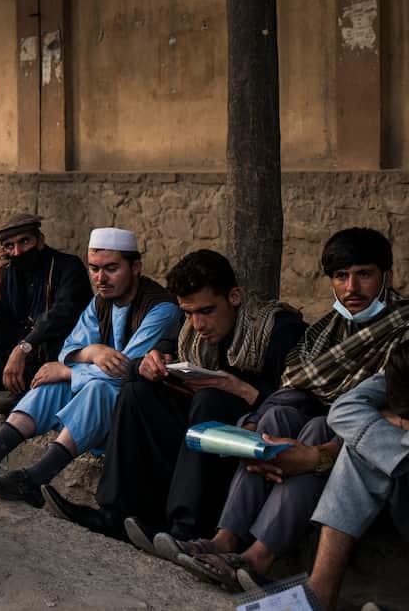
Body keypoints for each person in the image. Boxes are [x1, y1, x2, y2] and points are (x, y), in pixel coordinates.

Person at [165, 228, 405, 591]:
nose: (351, 287)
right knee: (274, 418)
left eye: (364, 274)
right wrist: (255, 431)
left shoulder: (401, 329)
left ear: (388, 277)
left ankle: (258, 557)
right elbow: (295, 385)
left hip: (360, 433)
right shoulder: (328, 329)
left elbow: (385, 405)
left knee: (317, 430)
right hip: (316, 414)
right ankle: (225, 539)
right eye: (341, 276)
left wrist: (308, 453)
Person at [42, 249, 307, 547]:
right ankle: (115, 513)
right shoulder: (189, 331)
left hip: (248, 443)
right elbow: (159, 353)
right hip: (194, 440)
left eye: (206, 311)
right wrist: (149, 362)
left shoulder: (278, 330)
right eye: (189, 313)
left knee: (210, 400)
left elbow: (299, 404)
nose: (198, 324)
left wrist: (239, 388)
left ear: (234, 297)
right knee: (136, 391)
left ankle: (186, 529)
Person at [0, 228, 182, 506]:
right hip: (102, 387)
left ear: (135, 267)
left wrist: (69, 369)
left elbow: (125, 370)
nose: (101, 278)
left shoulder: (160, 309)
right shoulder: (101, 301)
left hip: (137, 407)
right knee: (52, 383)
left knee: (95, 387)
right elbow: (70, 349)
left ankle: (35, 478)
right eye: (95, 269)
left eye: (111, 269)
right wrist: (91, 351)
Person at [308, 343, 409, 610]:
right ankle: (320, 595)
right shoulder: (403, 358)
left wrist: (395, 425)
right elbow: (344, 410)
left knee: (371, 440)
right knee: (363, 448)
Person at [0, 213, 93, 414]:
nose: (17, 251)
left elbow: (60, 315)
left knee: (55, 336)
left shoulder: (67, 266)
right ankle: (11, 383)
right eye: (9, 246)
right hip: (17, 355)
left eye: (24, 241)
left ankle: (27, 389)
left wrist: (23, 347)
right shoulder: (8, 272)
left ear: (40, 241)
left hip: (50, 351)